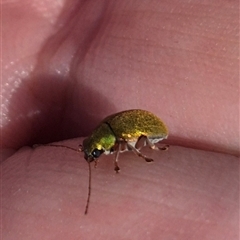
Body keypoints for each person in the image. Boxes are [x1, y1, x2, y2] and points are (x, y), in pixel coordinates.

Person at [2, 1, 239, 239]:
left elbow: (125, 145)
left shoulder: (116, 139)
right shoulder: (103, 134)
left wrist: (136, 156)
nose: (92, 156)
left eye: (94, 153)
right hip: (125, 126)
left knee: (132, 142)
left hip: (149, 128)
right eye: (92, 152)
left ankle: (154, 146)